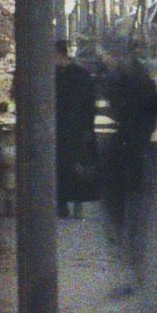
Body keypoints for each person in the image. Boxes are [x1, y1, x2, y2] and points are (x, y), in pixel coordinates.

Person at [101, 41, 157, 287]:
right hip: (139, 154)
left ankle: (128, 272)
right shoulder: (140, 77)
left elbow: (119, 107)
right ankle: (133, 270)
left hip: (126, 154)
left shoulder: (124, 79)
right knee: (134, 218)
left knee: (121, 217)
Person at [53, 40, 99, 219]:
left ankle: (74, 206)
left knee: (75, 167)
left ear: (59, 54)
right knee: (65, 167)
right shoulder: (79, 75)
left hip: (74, 130)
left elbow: (89, 105)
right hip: (65, 129)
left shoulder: (77, 75)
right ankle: (64, 205)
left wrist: (87, 129)